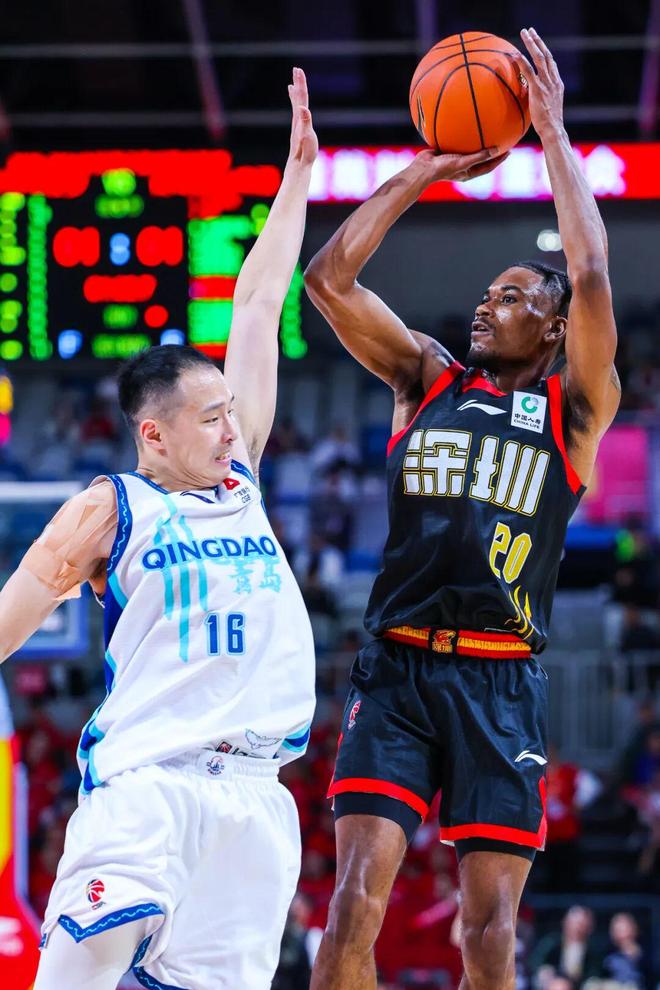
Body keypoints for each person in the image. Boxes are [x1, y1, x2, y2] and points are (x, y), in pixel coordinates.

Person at [304, 28, 620, 990]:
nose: (486, 306)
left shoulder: (572, 411)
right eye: (486, 294)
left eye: (512, 297)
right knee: (352, 905)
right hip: (396, 667)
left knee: (488, 933)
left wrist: (553, 136)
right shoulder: (427, 379)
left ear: (553, 328)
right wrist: (425, 170)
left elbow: (592, 273)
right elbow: (328, 282)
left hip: (500, 678)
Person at [0, 68, 318, 990]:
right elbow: (14, 611)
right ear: (154, 434)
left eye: (231, 413)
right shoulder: (113, 506)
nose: (231, 429)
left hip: (257, 800)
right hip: (150, 786)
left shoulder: (243, 482)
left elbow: (257, 305)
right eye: (211, 417)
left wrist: (297, 176)